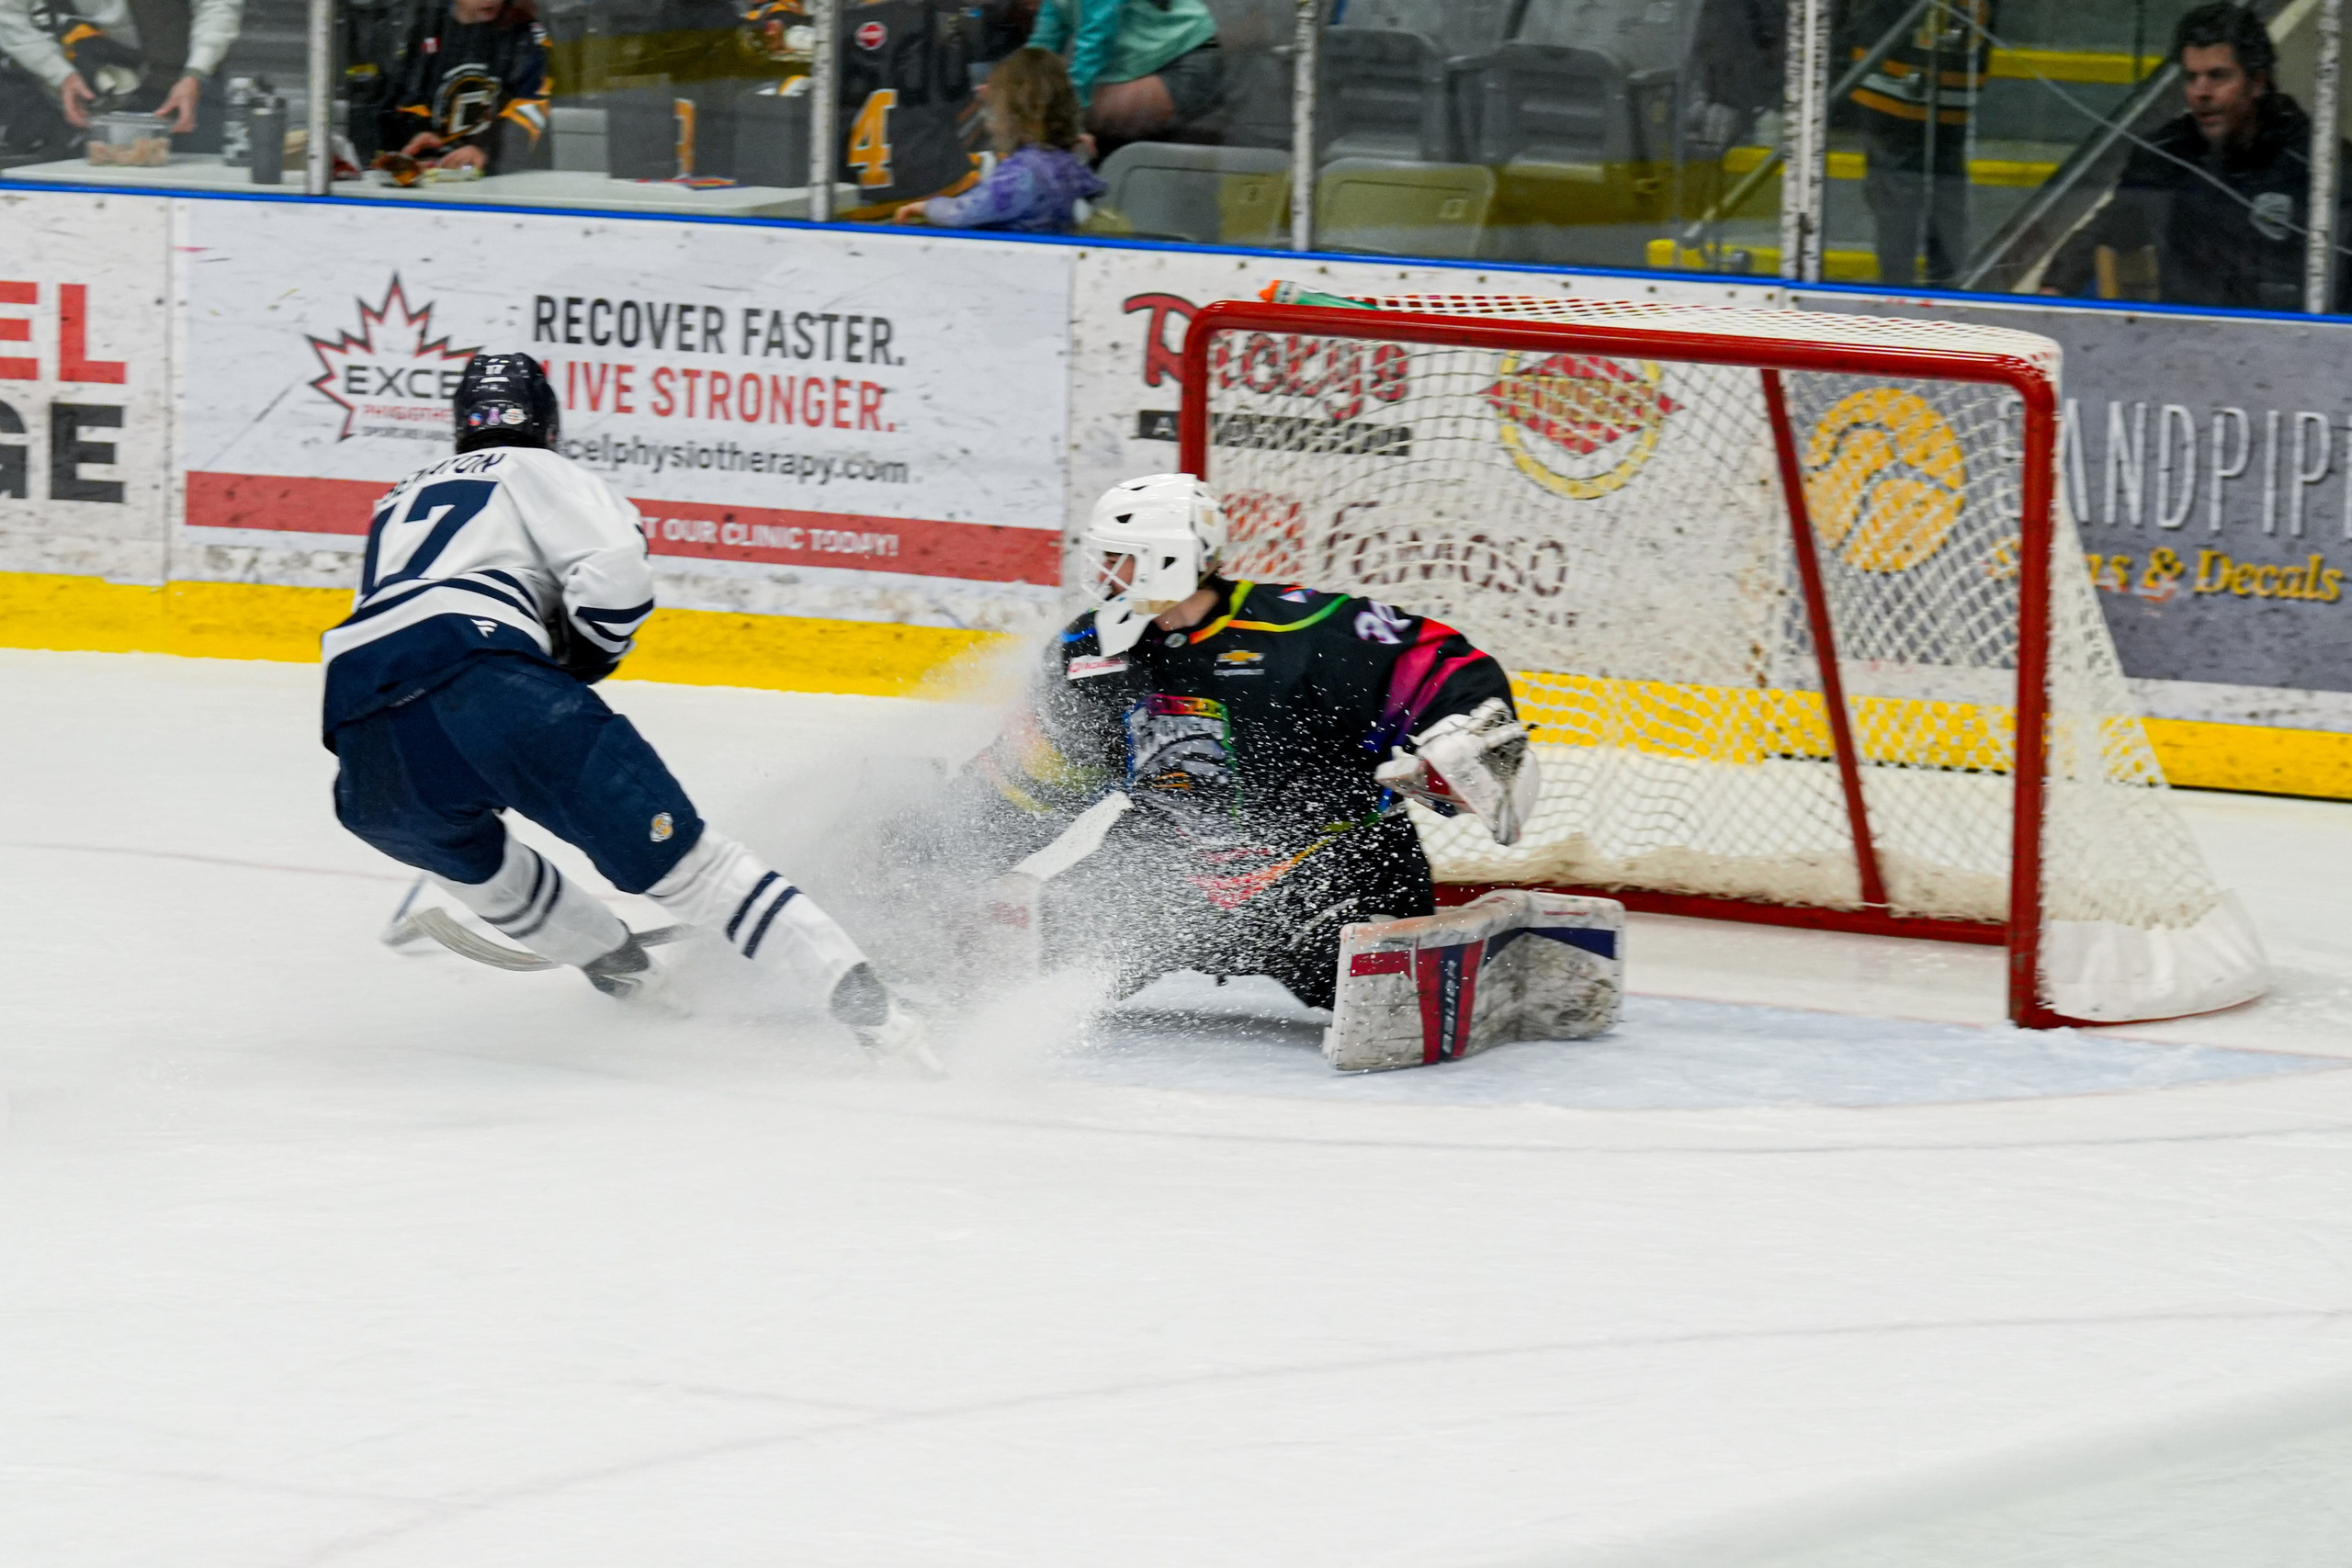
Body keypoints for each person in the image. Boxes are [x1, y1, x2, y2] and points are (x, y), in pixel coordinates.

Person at [322, 353, 929, 1062]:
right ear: (545, 418)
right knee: (694, 873)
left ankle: (634, 978)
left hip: (361, 723)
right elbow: (615, 576)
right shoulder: (541, 470)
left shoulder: (396, 496)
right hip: (488, 682)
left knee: (480, 868)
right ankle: (887, 1024)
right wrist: (580, 660)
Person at [931, 473, 1540, 1012]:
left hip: (1329, 870)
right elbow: (1043, 774)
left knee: (1393, 999)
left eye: (1119, 558)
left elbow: (1439, 664)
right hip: (1166, 874)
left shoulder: (1303, 630)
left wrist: (1468, 736)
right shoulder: (1091, 652)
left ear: (1164, 561)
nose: (1102, 574)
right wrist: (938, 842)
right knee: (1029, 957)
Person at [2047, 2, 2352, 312]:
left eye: (2217, 76)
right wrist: (2054, 287)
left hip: (2297, 348)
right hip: (2184, 344)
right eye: (2192, 77)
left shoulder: (2321, 165)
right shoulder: (2166, 155)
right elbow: (2109, 225)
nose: (2200, 92)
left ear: (2257, 83)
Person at [1843, 0, 1995, 287]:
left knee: (1900, 195)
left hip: (1892, 75)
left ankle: (1900, 295)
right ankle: (1946, 293)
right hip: (1952, 78)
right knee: (1944, 193)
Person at [893, 45, 1101, 232]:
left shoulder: (1022, 173)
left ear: (1023, 116)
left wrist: (926, 207)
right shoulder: (1064, 163)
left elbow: (964, 212)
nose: (990, 122)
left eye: (995, 110)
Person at [0, 0, 242, 144]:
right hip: (98, 87)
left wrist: (196, 71)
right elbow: (7, 14)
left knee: (198, 186)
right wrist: (59, 74)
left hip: (182, 85)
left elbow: (218, 5)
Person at [380, 0, 548, 176]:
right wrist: (421, 133)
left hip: (509, 179)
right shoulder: (429, 29)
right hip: (444, 176)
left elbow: (533, 105)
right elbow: (408, 97)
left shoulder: (525, 34)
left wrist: (484, 149)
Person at [1026, 0, 1218, 150]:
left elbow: (1096, 38)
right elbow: (1042, 45)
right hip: (1134, 68)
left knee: (1076, 114)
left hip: (1181, 60)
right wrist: (1015, 92)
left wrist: (1071, 117)